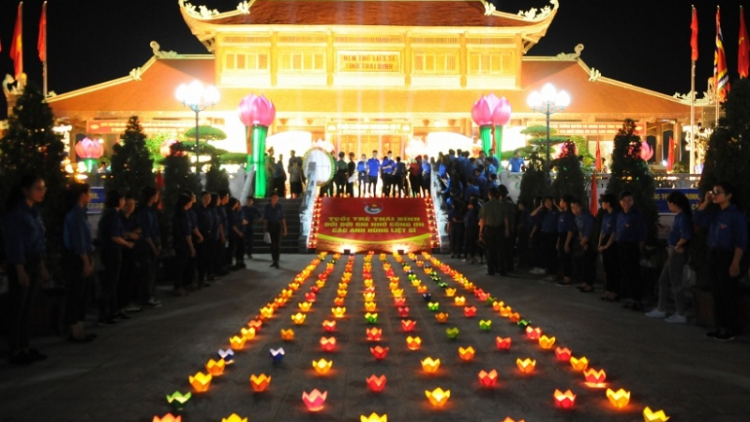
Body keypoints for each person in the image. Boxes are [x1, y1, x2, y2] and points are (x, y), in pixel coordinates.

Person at [3, 176, 49, 365]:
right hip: (21, 263)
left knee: (28, 306)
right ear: (25, 190)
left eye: (43, 188)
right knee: (18, 308)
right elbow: (15, 244)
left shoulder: (35, 211)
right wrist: (20, 270)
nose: (42, 192)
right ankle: (16, 349)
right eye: (38, 188)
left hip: (34, 261)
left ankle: (25, 347)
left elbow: (39, 241)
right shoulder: (16, 214)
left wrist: (42, 266)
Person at [694, 182, 747, 341]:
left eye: (718, 192)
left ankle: (730, 328)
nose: (715, 194)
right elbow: (697, 219)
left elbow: (741, 242)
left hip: (727, 256)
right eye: (713, 191)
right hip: (714, 255)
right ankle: (719, 326)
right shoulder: (715, 213)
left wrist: (735, 262)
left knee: (728, 293)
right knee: (716, 292)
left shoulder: (736, 215)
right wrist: (706, 201)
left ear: (729, 195)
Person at [646, 191, 692, 323]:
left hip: (676, 252)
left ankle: (680, 312)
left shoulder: (682, 217)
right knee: (664, 280)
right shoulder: (680, 216)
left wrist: (678, 245)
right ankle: (662, 308)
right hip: (673, 251)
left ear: (673, 204)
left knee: (675, 282)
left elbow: (686, 235)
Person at [62, 183, 96, 341]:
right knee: (76, 294)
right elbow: (78, 241)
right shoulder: (75, 214)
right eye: (89, 192)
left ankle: (80, 328)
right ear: (82, 194)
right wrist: (85, 261)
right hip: (77, 258)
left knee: (83, 294)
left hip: (85, 255)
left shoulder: (81, 212)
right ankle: (74, 330)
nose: (90, 195)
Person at [98, 190, 135, 322]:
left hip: (111, 251)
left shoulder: (112, 215)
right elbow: (114, 237)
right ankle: (104, 314)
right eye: (124, 200)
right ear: (120, 201)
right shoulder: (113, 215)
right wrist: (127, 244)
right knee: (110, 283)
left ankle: (114, 310)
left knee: (114, 283)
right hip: (112, 252)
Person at [615, 191, 647, 311]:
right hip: (621, 246)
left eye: (629, 200)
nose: (627, 203)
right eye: (624, 200)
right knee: (625, 273)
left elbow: (642, 234)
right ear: (620, 202)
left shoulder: (637, 215)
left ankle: (637, 300)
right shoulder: (620, 215)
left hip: (632, 246)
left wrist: (639, 248)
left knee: (634, 274)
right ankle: (631, 298)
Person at [134, 186, 162, 308]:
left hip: (153, 244)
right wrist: (153, 246)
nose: (157, 197)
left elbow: (155, 229)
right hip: (145, 247)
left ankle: (149, 295)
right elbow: (146, 232)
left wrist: (158, 244)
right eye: (156, 195)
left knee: (151, 272)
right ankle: (145, 298)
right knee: (146, 273)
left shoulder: (151, 211)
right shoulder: (143, 212)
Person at [119, 192, 142, 312]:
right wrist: (130, 235)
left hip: (132, 250)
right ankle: (122, 304)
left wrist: (130, 234)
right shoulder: (119, 218)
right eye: (127, 204)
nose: (130, 207)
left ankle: (129, 302)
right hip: (122, 251)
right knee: (122, 278)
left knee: (131, 277)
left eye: (132, 204)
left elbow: (139, 234)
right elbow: (120, 235)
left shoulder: (134, 218)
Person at [479, 187, 508, 276]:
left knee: (490, 250)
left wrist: (480, 231)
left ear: (489, 195)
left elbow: (482, 219)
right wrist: (507, 229)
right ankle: (501, 269)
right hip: (499, 229)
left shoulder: (485, 205)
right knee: (500, 250)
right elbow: (505, 218)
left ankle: (491, 269)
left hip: (489, 230)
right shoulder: (502, 205)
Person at [171, 194, 196, 296]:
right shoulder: (184, 215)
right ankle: (178, 287)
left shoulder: (177, 214)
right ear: (187, 203)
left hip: (177, 243)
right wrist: (191, 247)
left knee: (180, 266)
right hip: (183, 244)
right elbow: (187, 233)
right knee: (181, 267)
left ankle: (179, 286)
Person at [598, 194, 620, 301]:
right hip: (605, 240)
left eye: (603, 202)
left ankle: (614, 291)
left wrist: (607, 245)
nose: (602, 204)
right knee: (606, 268)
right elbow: (602, 230)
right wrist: (600, 243)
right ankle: (608, 289)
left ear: (608, 203)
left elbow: (614, 232)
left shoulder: (615, 215)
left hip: (612, 243)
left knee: (613, 268)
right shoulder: (606, 215)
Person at [571, 198, 596, 292]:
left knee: (589, 264)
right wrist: (582, 242)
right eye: (572, 208)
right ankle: (585, 282)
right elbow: (580, 230)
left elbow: (589, 232)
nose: (574, 210)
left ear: (581, 207)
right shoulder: (577, 218)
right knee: (584, 263)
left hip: (591, 242)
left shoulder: (587, 217)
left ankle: (590, 284)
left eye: (576, 207)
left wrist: (584, 242)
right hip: (583, 241)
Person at [532, 196, 559, 280]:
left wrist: (556, 205)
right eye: (546, 202)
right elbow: (532, 214)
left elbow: (562, 213)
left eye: (549, 201)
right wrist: (540, 206)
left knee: (553, 254)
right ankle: (549, 271)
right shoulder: (543, 212)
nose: (548, 203)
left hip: (554, 234)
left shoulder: (556, 211)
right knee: (547, 254)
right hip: (545, 234)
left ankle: (553, 273)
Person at [555, 195, 577, 286]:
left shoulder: (569, 214)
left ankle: (568, 278)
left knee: (567, 258)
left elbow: (570, 230)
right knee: (563, 258)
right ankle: (564, 276)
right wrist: (558, 242)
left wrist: (567, 243)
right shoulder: (563, 213)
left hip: (567, 237)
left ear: (565, 203)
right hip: (562, 236)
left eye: (561, 201)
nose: (560, 202)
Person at [194, 191, 213, 288]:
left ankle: (204, 277)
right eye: (206, 198)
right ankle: (200, 279)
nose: (208, 199)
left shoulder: (208, 210)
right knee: (201, 258)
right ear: (201, 198)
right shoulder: (198, 210)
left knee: (206, 258)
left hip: (208, 236)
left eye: (209, 198)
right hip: (201, 236)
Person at [264, 192, 287, 268]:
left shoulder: (279, 206)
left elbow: (283, 218)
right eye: (274, 197)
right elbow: (265, 218)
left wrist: (285, 228)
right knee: (271, 244)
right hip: (270, 225)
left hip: (277, 225)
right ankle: (273, 260)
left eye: (276, 198)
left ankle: (276, 260)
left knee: (277, 244)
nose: (275, 199)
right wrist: (265, 228)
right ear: (270, 198)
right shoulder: (267, 207)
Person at [227, 197, 246, 269]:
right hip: (233, 233)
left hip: (238, 232)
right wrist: (238, 232)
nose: (237, 205)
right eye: (236, 203)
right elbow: (232, 224)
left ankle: (239, 261)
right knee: (232, 249)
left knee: (239, 248)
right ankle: (230, 264)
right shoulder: (231, 212)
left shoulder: (236, 212)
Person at [463, 197, 481, 264]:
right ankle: (479, 257)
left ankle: (472, 257)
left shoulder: (470, 212)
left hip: (470, 229)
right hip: (477, 228)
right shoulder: (478, 210)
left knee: (471, 244)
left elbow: (467, 221)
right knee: (477, 243)